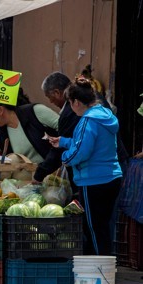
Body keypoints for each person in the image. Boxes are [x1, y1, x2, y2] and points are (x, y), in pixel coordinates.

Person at [49, 76, 122, 255]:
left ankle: (100, 272)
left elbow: (81, 152)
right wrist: (65, 141)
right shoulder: (105, 116)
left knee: (94, 229)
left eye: (70, 102)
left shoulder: (87, 121)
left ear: (76, 102)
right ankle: (104, 268)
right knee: (102, 228)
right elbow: (92, 143)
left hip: (93, 181)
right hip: (111, 177)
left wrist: (65, 158)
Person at [0, 96, 59, 178]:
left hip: (58, 173)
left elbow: (67, 128)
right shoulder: (1, 133)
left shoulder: (35, 111)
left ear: (0, 110)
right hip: (35, 182)